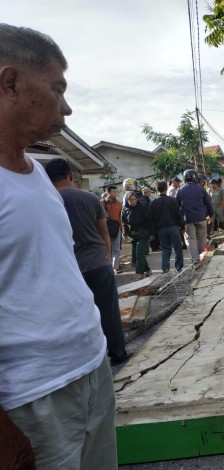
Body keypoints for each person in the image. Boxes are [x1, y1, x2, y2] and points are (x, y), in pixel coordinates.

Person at [0, 24, 116, 469]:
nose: (66, 108)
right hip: (32, 398)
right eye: (57, 89)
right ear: (10, 83)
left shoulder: (37, 174)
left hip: (90, 368)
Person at [45, 158, 129, 365]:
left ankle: (88, 360)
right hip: (98, 263)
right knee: (108, 310)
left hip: (68, 269)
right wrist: (108, 258)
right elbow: (104, 232)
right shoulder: (90, 198)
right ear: (71, 176)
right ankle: (118, 353)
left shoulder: (47, 201)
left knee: (76, 316)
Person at [176, 169, 213, 264]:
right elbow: (209, 204)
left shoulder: (180, 190)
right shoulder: (201, 189)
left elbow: (177, 207)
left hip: (188, 220)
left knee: (190, 239)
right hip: (201, 218)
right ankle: (202, 258)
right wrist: (211, 215)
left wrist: (180, 223)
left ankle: (195, 260)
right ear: (195, 178)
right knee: (202, 239)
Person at [147, 181, 185, 273]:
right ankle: (179, 268)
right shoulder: (172, 200)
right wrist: (182, 227)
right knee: (178, 248)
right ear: (166, 188)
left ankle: (165, 268)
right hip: (173, 227)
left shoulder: (154, 203)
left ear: (157, 190)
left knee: (165, 249)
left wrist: (152, 232)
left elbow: (150, 218)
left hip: (161, 229)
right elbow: (179, 214)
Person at [122, 191, 153, 279]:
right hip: (132, 235)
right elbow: (124, 223)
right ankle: (148, 270)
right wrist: (125, 235)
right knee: (139, 254)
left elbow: (149, 221)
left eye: (134, 199)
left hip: (143, 233)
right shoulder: (125, 210)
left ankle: (140, 273)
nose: (133, 201)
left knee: (139, 253)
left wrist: (151, 233)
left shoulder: (142, 208)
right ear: (127, 200)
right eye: (130, 200)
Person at [102, 184, 123, 273]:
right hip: (105, 229)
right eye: (113, 191)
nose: (115, 193)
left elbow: (120, 217)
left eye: (116, 191)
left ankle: (116, 267)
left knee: (116, 249)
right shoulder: (102, 203)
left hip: (116, 227)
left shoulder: (118, 203)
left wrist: (122, 228)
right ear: (108, 192)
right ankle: (108, 268)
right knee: (107, 249)